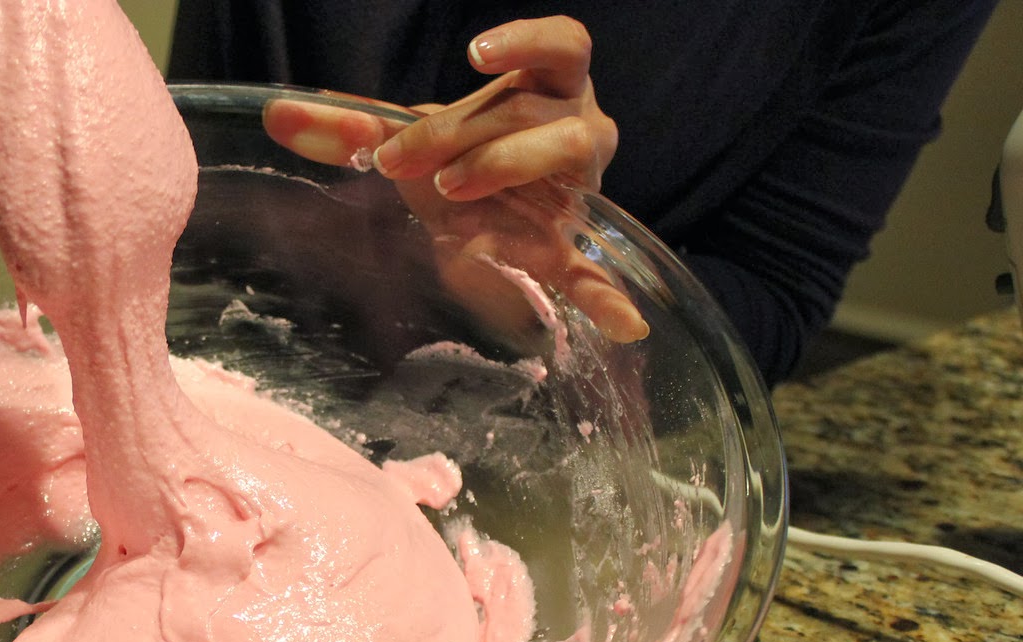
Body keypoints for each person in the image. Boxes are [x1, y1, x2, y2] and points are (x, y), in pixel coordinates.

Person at [167, 2, 1000, 383]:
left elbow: (777, 288)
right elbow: (189, 156)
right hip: (193, 357)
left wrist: (550, 287)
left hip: (527, 459)